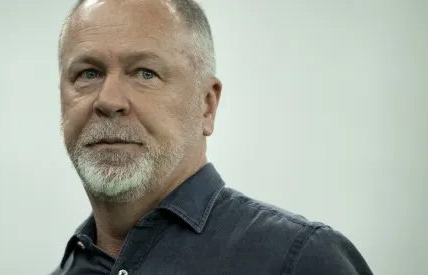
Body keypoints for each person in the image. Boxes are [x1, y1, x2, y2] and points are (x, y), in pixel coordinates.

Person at [50, 0, 373, 274]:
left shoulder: (301, 259)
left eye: (145, 73)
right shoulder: (71, 267)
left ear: (207, 105)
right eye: (88, 74)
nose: (109, 100)